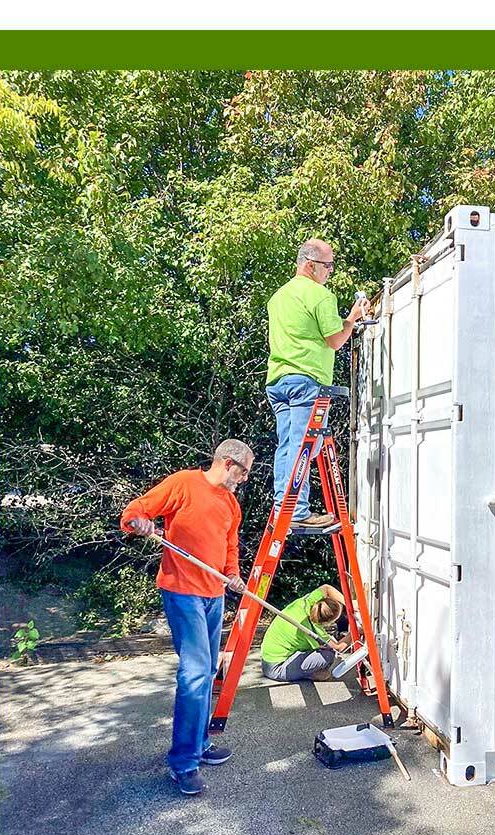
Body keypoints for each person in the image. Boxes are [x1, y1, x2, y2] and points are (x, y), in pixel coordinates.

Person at [122, 440, 252, 797]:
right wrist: (140, 523)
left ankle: (199, 742)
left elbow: (229, 545)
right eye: (243, 472)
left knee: (208, 670)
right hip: (182, 591)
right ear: (228, 464)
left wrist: (233, 574)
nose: (244, 479)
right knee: (194, 674)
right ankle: (183, 763)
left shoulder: (231, 505)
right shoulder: (183, 484)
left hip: (214, 594)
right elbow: (137, 509)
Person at [265, 239, 370, 529]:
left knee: (287, 445)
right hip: (306, 379)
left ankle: (282, 506)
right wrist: (352, 318)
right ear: (310, 265)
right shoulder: (320, 296)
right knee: (303, 447)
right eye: (328, 265)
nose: (330, 271)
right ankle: (296, 511)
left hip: (278, 380)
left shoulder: (279, 296)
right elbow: (335, 340)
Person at [260, 584, 349, 683]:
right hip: (276, 668)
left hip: (268, 659)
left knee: (321, 647)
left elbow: (326, 588)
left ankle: (306, 671)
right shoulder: (311, 629)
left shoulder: (307, 602)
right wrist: (356, 633)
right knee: (328, 655)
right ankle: (308, 675)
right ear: (326, 623)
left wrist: (351, 603)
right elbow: (338, 648)